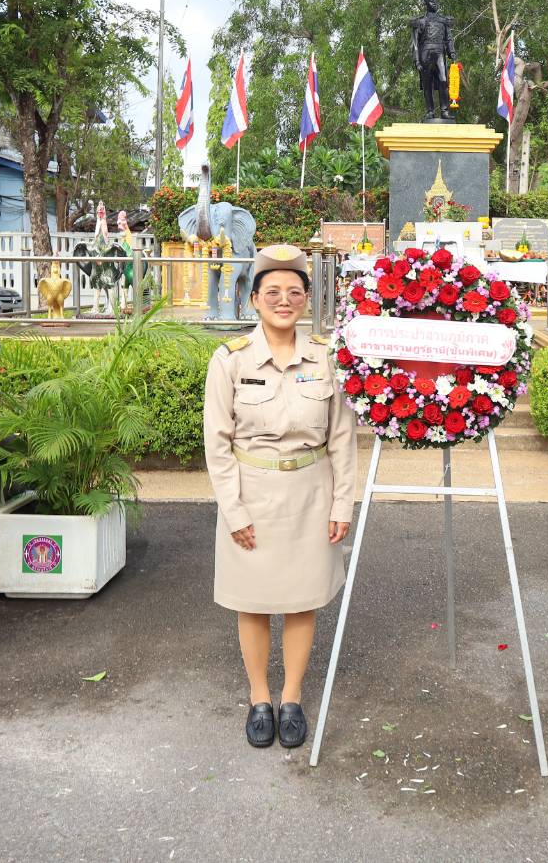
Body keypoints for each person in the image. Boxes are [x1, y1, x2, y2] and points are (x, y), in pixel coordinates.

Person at [204, 244, 356, 750]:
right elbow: (218, 445)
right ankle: (259, 698)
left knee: (301, 600)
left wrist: (342, 503)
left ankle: (291, 698)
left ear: (308, 298)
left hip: (310, 494)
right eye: (273, 292)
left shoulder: (325, 359)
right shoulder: (229, 361)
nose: (284, 300)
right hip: (252, 493)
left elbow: (341, 438)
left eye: (294, 292)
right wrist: (233, 509)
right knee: (252, 603)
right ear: (254, 300)